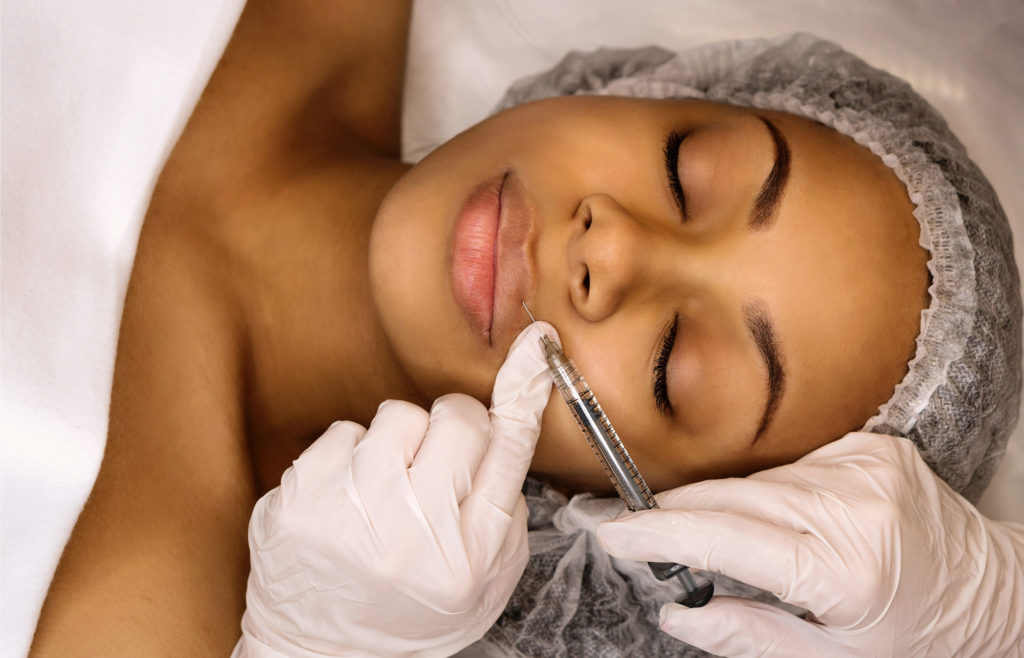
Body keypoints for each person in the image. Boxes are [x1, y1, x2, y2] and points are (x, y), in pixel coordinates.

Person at [29, 2, 1021, 656]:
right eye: (685, 169)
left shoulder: (143, 609)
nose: (613, 254)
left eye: (675, 366)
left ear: (624, 516)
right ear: (643, 86)